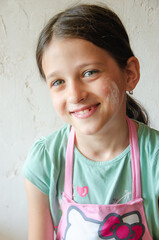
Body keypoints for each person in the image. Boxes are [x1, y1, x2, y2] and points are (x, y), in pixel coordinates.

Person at [24, 4, 159, 240]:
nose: (75, 95)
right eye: (58, 82)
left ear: (129, 74)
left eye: (90, 72)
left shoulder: (155, 158)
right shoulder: (45, 162)